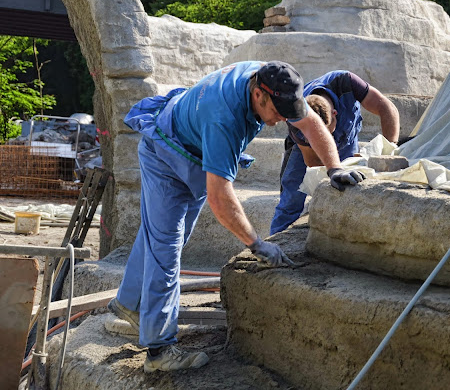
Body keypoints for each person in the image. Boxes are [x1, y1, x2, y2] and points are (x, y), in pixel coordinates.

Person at [107, 61, 366, 373]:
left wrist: (334, 167)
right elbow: (220, 199)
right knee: (167, 245)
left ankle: (130, 304)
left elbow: (312, 125)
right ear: (259, 95)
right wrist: (257, 244)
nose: (284, 119)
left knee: (162, 235)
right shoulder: (224, 119)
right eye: (279, 111)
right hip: (167, 151)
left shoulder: (274, 82)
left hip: (193, 144)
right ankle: (159, 352)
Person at [270, 70, 400, 235]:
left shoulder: (346, 82)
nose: (324, 138)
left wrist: (388, 149)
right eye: (318, 135)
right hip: (304, 150)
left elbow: (386, 107)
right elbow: (313, 163)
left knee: (352, 187)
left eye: (326, 132)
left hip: (347, 138)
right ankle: (277, 240)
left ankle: (344, 233)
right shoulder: (297, 120)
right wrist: (334, 170)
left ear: (334, 114)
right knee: (291, 198)